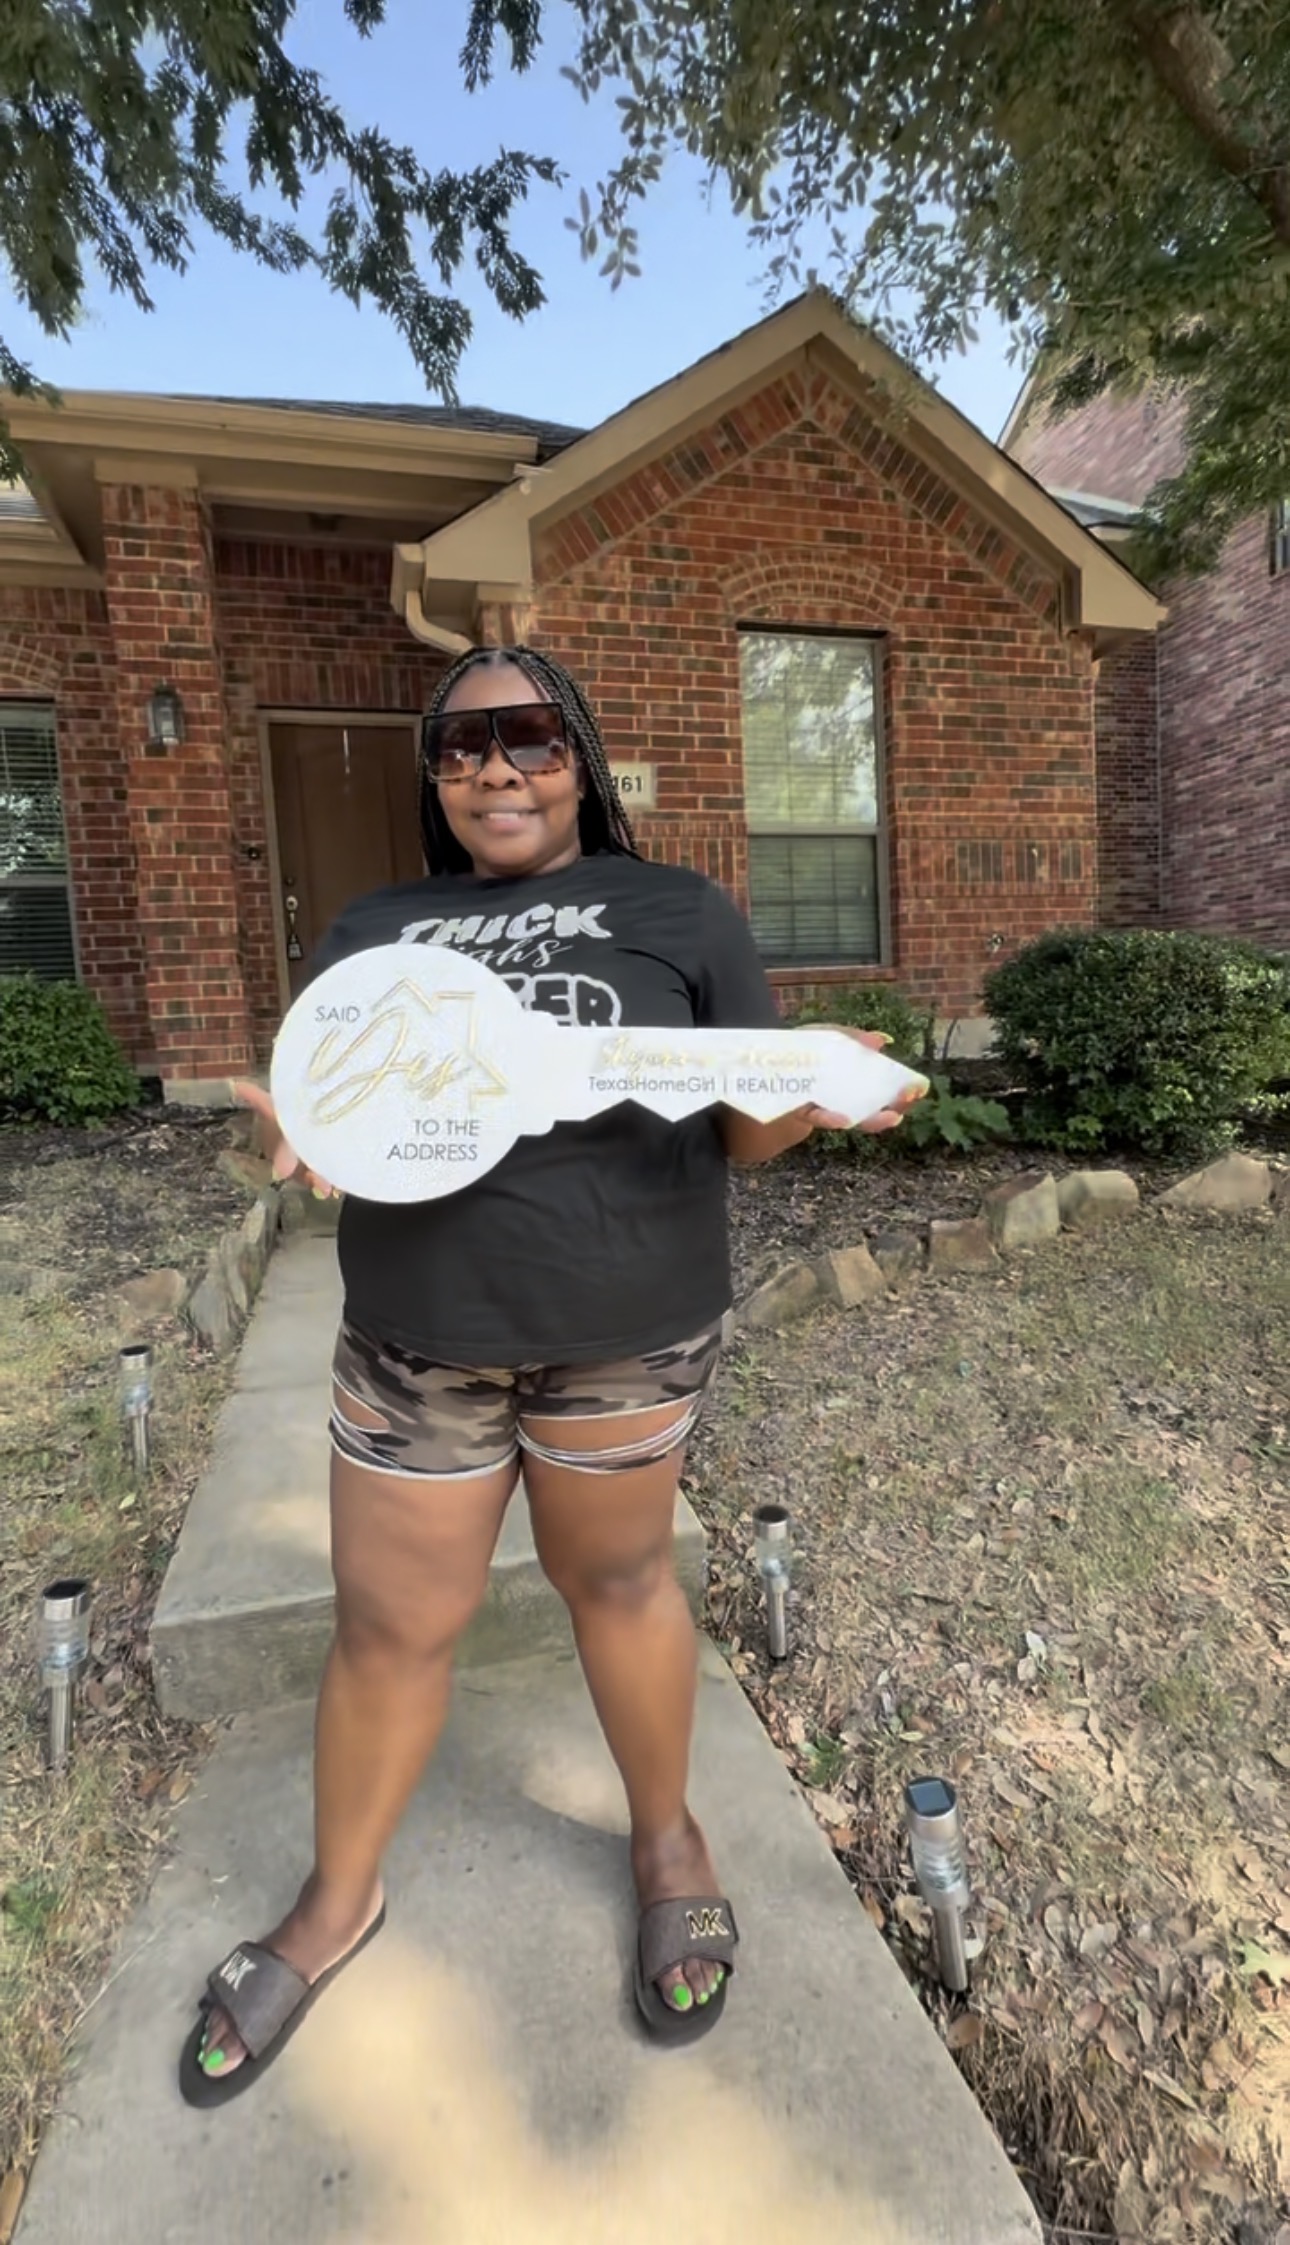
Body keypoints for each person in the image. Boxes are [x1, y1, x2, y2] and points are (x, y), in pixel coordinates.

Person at [179, 645, 920, 2105]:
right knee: (389, 1627)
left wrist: (817, 1093)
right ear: (433, 778)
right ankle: (337, 1899)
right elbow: (336, 1112)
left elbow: (738, 1127)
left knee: (623, 1584)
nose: (496, 768)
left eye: (527, 737)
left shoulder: (677, 910)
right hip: (416, 1341)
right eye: (461, 746)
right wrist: (291, 1134)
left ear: (577, 755)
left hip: (622, 1336)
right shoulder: (374, 926)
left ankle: (666, 1839)